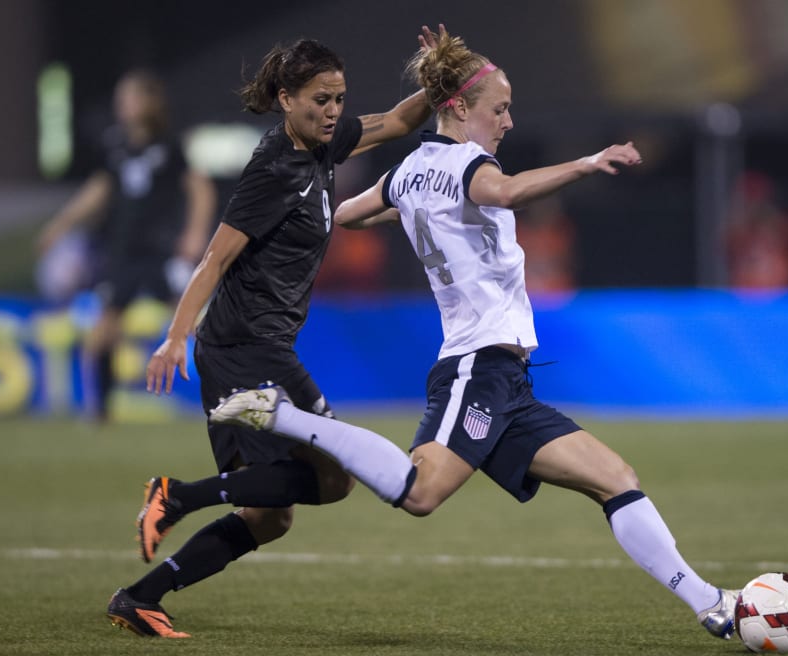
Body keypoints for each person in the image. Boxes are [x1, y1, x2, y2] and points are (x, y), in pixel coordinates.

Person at [209, 28, 739, 642]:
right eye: (499, 108)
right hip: (476, 367)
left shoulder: (410, 170)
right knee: (419, 492)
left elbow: (342, 216)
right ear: (459, 108)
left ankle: (710, 603)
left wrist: (392, 206)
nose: (508, 122)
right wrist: (589, 163)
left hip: (507, 381)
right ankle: (287, 417)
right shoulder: (469, 165)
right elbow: (506, 191)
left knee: (615, 477)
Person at [107, 28, 442, 638]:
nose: (334, 110)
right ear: (286, 99)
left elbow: (396, 121)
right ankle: (177, 497)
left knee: (269, 517)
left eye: (339, 97)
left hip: (263, 346)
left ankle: (140, 596)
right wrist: (175, 336)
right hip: (243, 349)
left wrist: (446, 75)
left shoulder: (322, 144)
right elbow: (214, 258)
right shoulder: (274, 168)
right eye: (320, 99)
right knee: (335, 476)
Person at [36, 69, 217, 421]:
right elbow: (98, 190)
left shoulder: (169, 146)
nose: (122, 105)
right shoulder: (115, 145)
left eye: (130, 97)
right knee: (103, 333)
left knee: (195, 324)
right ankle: (100, 414)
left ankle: (233, 394)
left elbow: (201, 189)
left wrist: (195, 234)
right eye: (121, 99)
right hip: (122, 255)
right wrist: (60, 225)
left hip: (163, 252)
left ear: (149, 102)